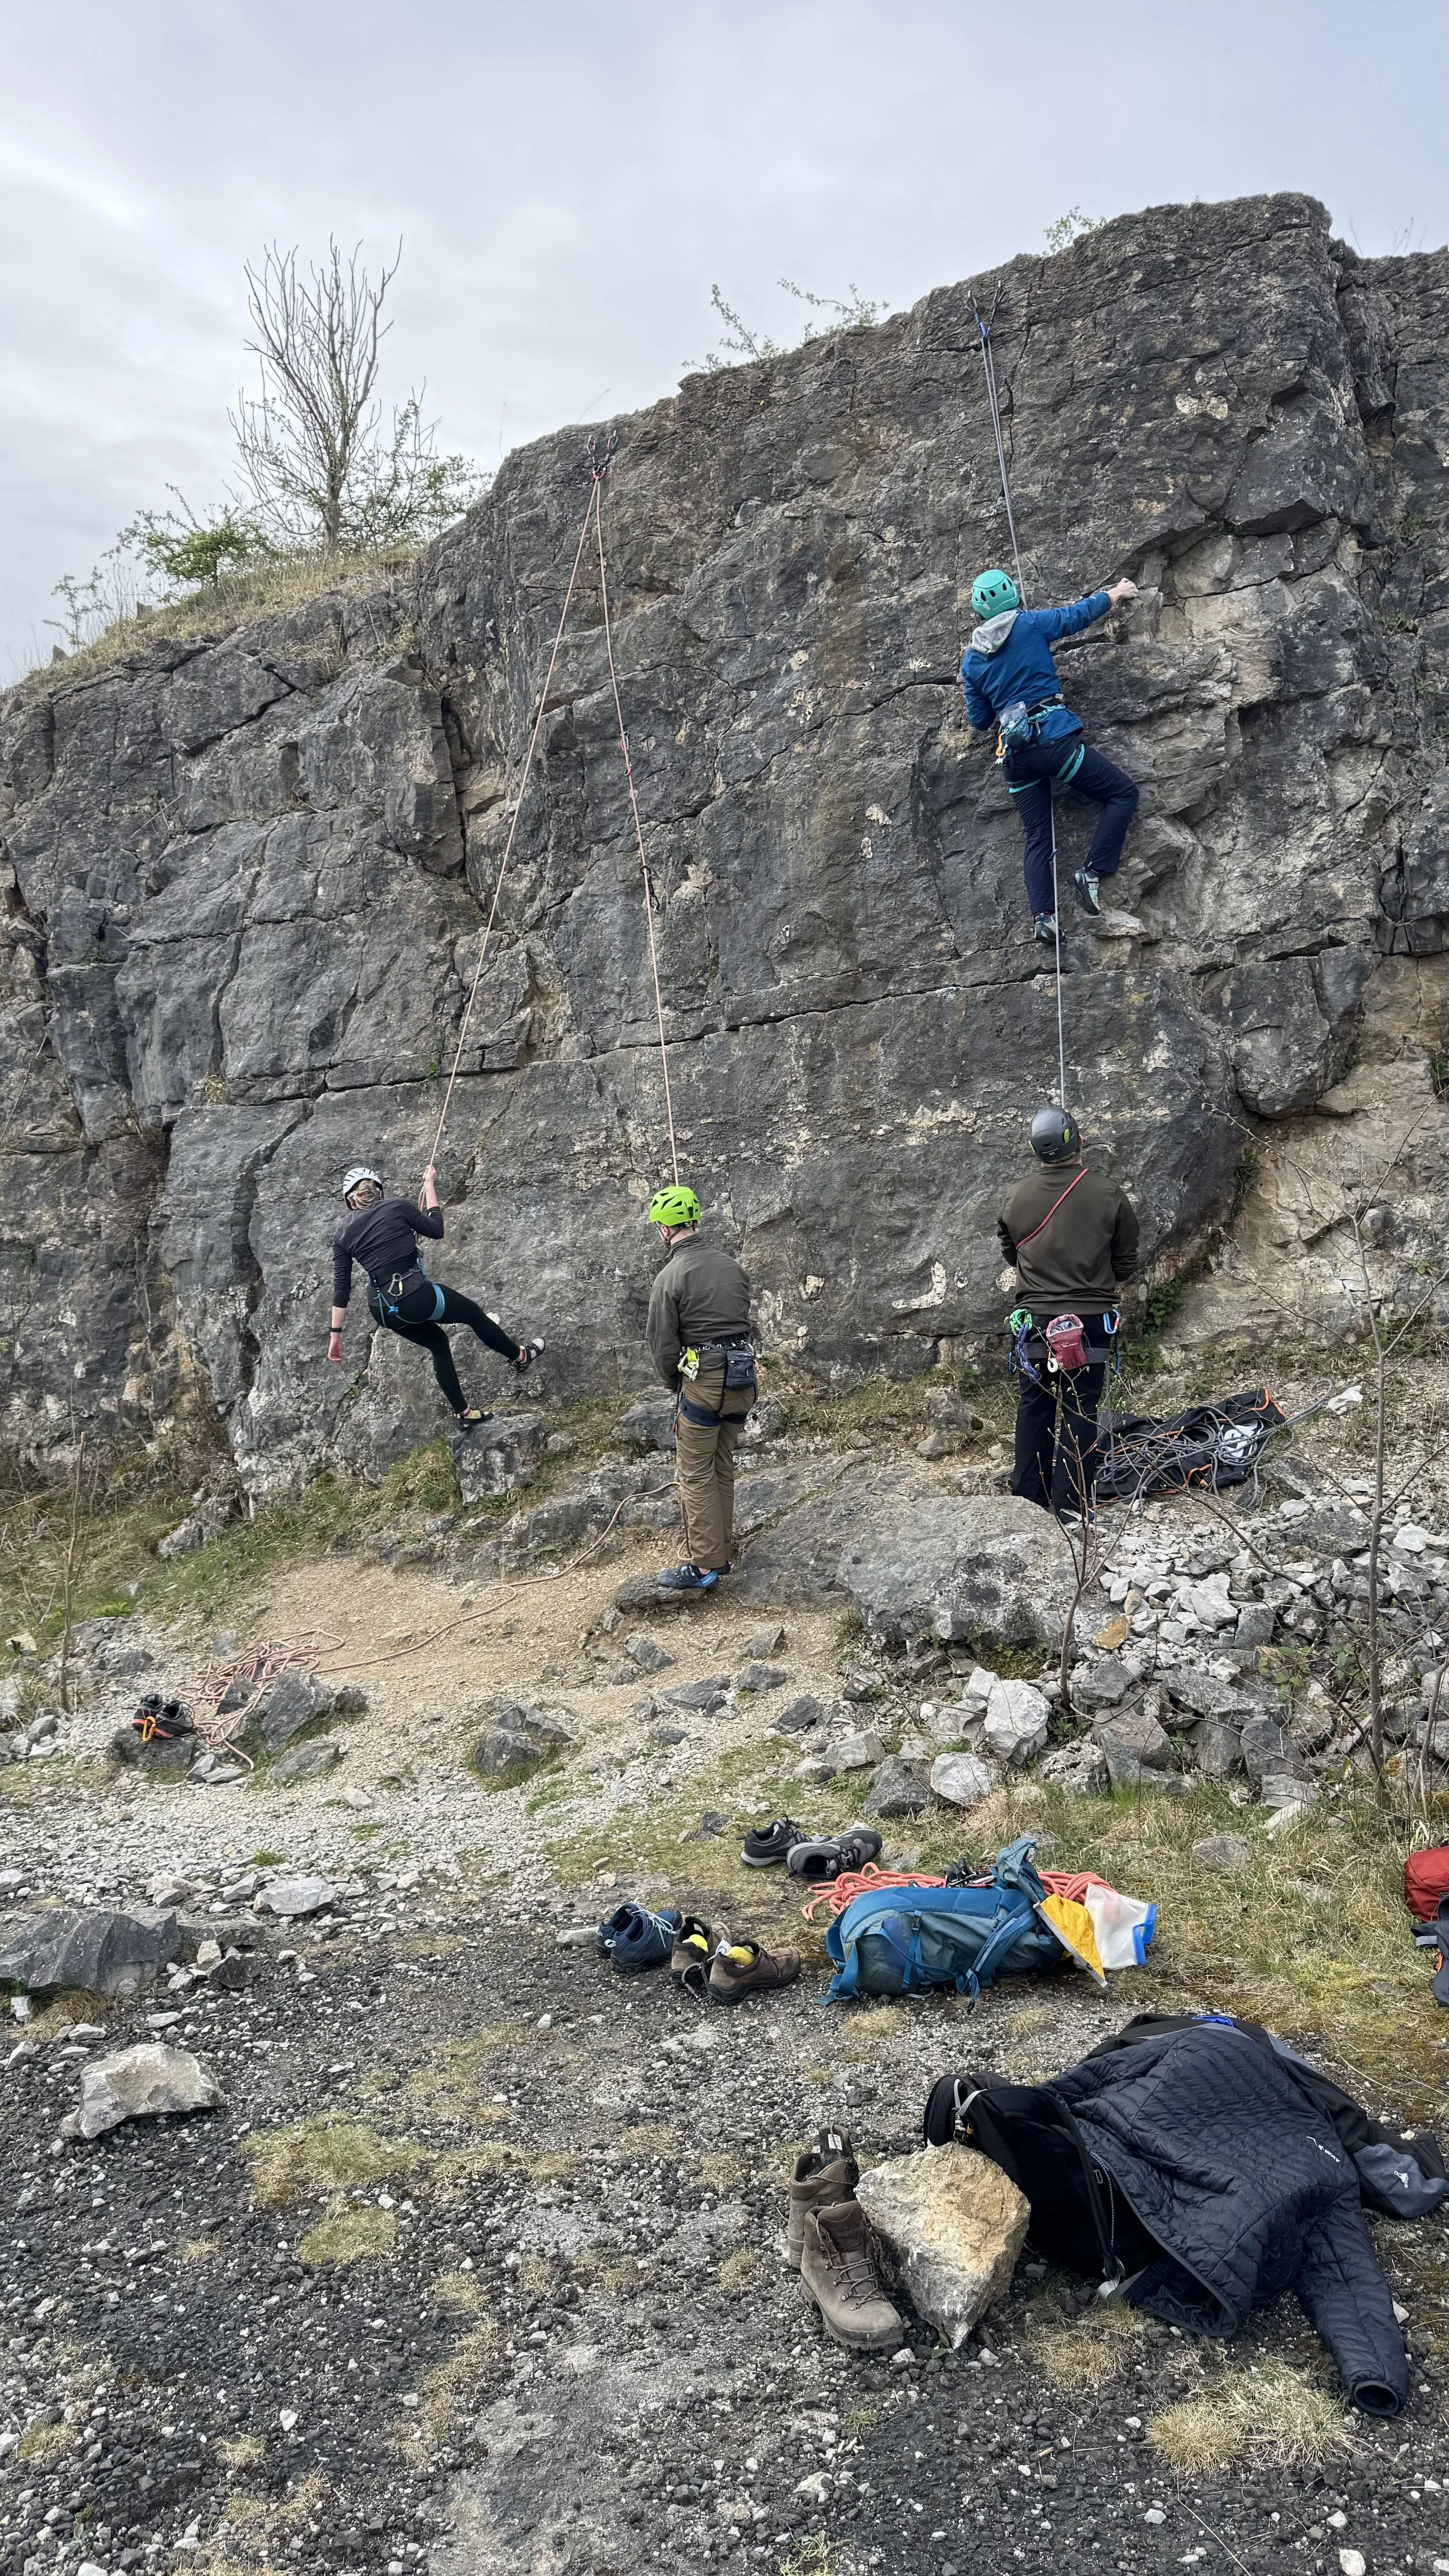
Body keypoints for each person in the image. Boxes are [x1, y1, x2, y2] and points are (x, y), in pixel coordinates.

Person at [960, 569, 1140, 943]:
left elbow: (979, 721)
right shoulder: (1030, 625)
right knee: (1123, 795)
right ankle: (1092, 873)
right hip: (1053, 740)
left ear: (978, 610)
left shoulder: (971, 659)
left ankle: (1043, 919)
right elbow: (1075, 616)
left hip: (1016, 755)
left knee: (1038, 835)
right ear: (1012, 596)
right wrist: (1116, 593)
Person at [996, 1107, 1139, 1522]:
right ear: (1078, 1140)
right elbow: (1126, 1259)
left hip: (1035, 1321)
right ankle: (1071, 1505)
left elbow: (1012, 1253)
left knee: (1035, 1404)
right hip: (1090, 1320)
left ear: (1034, 1149)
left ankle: (1028, 1498)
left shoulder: (1015, 1196)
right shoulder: (1107, 1193)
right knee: (1080, 1408)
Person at [328, 1163, 533, 1426]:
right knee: (474, 1315)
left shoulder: (341, 1234)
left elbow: (342, 1286)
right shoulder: (396, 1206)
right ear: (378, 1190)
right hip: (414, 1295)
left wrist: (335, 1335)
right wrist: (429, 1186)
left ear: (350, 1201)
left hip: (382, 1309)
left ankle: (464, 1414)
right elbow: (436, 1230)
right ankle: (520, 1356)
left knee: (438, 1344)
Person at [645, 1184, 757, 1594]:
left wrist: (675, 1385)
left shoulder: (669, 1277)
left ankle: (704, 1564)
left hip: (704, 1381)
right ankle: (721, 1549)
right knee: (722, 1464)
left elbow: (663, 1345)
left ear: (663, 1229)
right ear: (694, 1221)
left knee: (694, 1473)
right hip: (743, 1376)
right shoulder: (732, 1265)